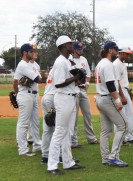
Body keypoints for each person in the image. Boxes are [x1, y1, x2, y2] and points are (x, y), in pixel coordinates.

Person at [47, 35, 85, 175]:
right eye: (70, 44)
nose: (72, 46)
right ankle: (52, 166)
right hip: (63, 98)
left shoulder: (67, 61)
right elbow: (58, 83)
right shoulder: (60, 62)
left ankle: (68, 162)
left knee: (68, 132)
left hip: (70, 97)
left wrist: (78, 80)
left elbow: (69, 81)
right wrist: (75, 77)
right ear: (63, 46)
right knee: (59, 132)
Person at [94, 41, 128, 167]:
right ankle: (113, 157)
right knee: (123, 126)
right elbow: (110, 85)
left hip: (100, 98)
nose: (116, 52)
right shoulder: (107, 64)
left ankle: (105, 158)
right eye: (115, 49)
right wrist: (118, 100)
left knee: (105, 131)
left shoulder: (100, 64)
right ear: (109, 50)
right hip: (108, 99)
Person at [13, 43, 41, 156]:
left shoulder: (32, 65)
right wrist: (17, 94)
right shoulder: (23, 65)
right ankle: (23, 150)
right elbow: (38, 78)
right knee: (23, 123)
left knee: (35, 122)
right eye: (31, 51)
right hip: (25, 95)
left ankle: (37, 145)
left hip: (33, 94)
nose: (33, 53)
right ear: (25, 53)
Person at [70, 41, 99, 148]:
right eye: (79, 49)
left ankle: (91, 138)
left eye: (82, 49)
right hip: (73, 90)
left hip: (82, 90)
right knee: (74, 117)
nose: (81, 51)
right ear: (74, 50)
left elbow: (87, 74)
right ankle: (74, 141)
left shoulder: (84, 60)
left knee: (88, 114)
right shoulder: (69, 59)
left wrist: (87, 83)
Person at [113, 47, 133, 144]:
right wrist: (122, 96)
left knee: (129, 114)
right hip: (120, 91)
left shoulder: (122, 64)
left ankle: (129, 136)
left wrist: (127, 91)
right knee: (120, 115)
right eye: (127, 54)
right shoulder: (116, 64)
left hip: (124, 90)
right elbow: (117, 82)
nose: (128, 56)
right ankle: (121, 138)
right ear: (121, 53)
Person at [26, 45, 42, 150]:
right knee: (25, 119)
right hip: (26, 93)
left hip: (36, 93)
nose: (36, 53)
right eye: (34, 51)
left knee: (35, 119)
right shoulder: (24, 65)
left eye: (36, 51)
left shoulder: (36, 65)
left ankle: (34, 140)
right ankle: (24, 140)